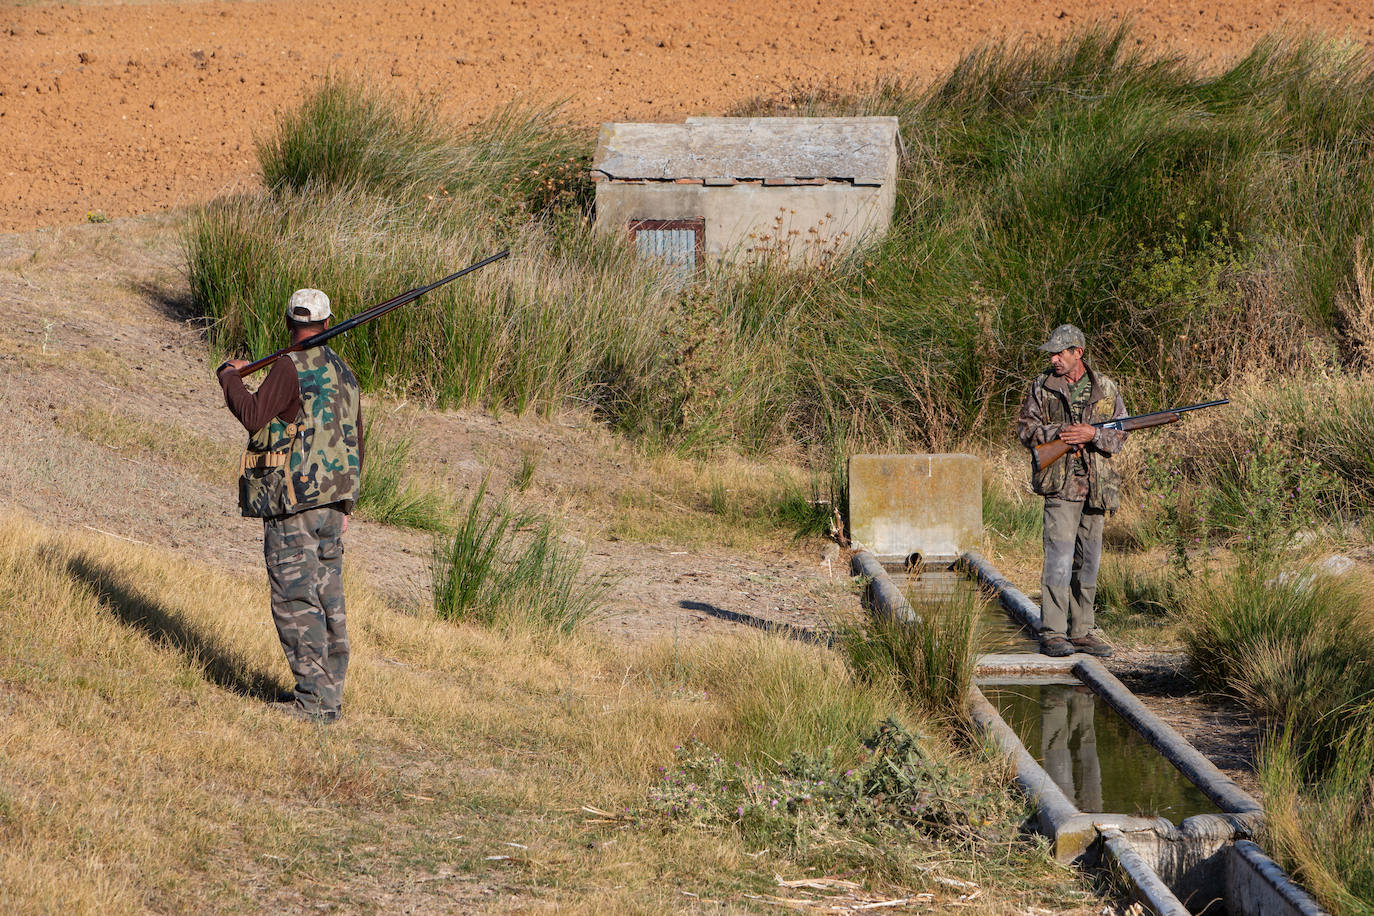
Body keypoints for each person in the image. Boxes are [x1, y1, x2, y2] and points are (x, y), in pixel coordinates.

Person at [217, 289, 364, 723]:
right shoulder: (346, 371)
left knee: (294, 597)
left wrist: (229, 378)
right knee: (329, 596)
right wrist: (349, 503)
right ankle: (328, 695)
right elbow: (357, 438)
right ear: (327, 321)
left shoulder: (288, 365)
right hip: (335, 502)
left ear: (287, 322)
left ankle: (314, 703)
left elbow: (254, 415)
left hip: (294, 502)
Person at [1016, 324, 1126, 658]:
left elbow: (1120, 434)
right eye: (1051, 353)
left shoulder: (1105, 387)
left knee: (1088, 563)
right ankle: (1052, 633)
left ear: (1077, 352)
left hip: (1096, 489)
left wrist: (1092, 434)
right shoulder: (1041, 386)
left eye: (1058, 353)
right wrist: (1065, 433)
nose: (1053, 359)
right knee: (1059, 561)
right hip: (1060, 486)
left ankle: (1081, 632)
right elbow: (1027, 431)